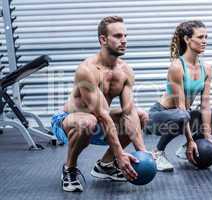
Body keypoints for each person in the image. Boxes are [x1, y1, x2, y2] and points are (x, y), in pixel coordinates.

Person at [51, 16, 149, 192]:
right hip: (67, 122)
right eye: (118, 36)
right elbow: (102, 114)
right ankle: (69, 169)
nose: (124, 40)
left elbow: (128, 113)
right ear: (103, 39)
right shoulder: (87, 70)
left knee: (140, 115)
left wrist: (143, 153)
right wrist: (120, 154)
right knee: (88, 121)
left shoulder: (126, 71)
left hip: (98, 120)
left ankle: (105, 165)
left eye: (125, 36)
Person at [145, 20, 212, 172]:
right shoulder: (177, 67)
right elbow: (181, 108)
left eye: (206, 37)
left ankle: (185, 148)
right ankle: (158, 152)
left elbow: (205, 105)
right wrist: (190, 140)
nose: (204, 41)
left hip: (182, 114)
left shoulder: (207, 68)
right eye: (200, 37)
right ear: (187, 39)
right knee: (181, 115)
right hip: (158, 118)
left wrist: (206, 138)